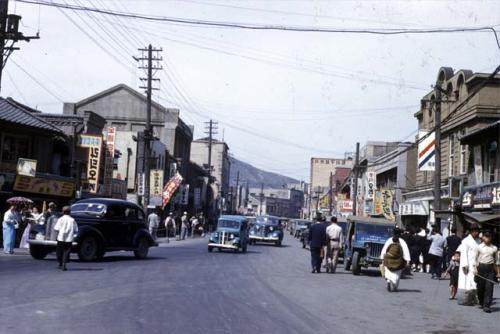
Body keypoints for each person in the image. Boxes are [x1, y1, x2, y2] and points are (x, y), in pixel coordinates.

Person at [475, 231, 498, 313]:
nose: (487, 238)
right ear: (483, 237)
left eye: (489, 237)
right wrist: (475, 269)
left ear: (491, 238)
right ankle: (481, 301)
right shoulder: (479, 247)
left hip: (490, 269)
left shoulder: (494, 248)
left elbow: (496, 261)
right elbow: (475, 259)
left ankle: (487, 305)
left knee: (489, 287)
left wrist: (498, 272)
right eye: (486, 236)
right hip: (481, 268)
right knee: (480, 287)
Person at [457, 224, 480, 306]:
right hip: (468, 265)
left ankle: (475, 299)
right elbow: (463, 254)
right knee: (467, 282)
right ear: (471, 232)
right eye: (474, 231)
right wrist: (465, 265)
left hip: (476, 265)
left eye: (477, 231)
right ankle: (466, 300)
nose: (476, 233)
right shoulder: (465, 241)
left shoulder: (479, 241)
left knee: (475, 282)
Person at [53, 206, 78, 271]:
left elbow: (56, 228)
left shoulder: (60, 219)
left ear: (63, 212)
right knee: (66, 251)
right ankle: (64, 264)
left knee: (59, 251)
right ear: (70, 212)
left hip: (61, 238)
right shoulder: (72, 220)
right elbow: (76, 229)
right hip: (69, 239)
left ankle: (60, 263)